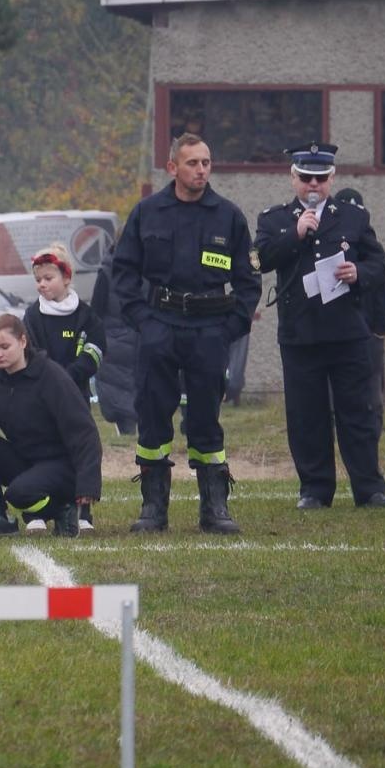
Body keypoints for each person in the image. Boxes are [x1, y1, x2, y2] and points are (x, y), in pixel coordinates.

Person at [109, 133, 259, 535]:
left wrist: (230, 328)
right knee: (153, 416)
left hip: (210, 329)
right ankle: (153, 508)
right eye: (192, 163)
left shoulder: (227, 216)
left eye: (206, 163)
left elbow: (248, 281)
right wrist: (142, 319)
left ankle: (215, 508)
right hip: (159, 326)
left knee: (206, 418)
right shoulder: (148, 213)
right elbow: (122, 273)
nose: (201, 170)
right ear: (173, 167)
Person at [253, 142, 385, 511]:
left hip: (347, 331)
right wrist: (295, 234)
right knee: (306, 416)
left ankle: (369, 488)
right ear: (293, 178)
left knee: (358, 413)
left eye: (320, 178)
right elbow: (262, 260)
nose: (312, 185)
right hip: (301, 333)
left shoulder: (353, 217)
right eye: (305, 178)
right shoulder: (274, 219)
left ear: (332, 178)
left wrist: (358, 272)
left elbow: (378, 265)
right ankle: (315, 489)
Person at [0, 313, 101, 538]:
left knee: (18, 494)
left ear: (23, 342)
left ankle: (64, 510)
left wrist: (88, 485)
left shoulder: (51, 377)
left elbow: (84, 433)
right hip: (27, 460)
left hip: (62, 466)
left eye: (4, 346)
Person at [22, 243, 105, 529]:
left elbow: (94, 351)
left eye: (48, 278)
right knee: (39, 451)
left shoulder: (86, 315)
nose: (42, 285)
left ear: (67, 278)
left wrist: (69, 377)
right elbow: (29, 353)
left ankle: (83, 513)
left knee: (80, 452)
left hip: (77, 397)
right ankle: (36, 513)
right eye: (38, 280)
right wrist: (52, 380)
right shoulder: (33, 316)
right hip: (40, 400)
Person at [333, 187, 385, 430]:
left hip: (368, 332)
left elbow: (383, 292)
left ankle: (372, 431)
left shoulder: (370, 247)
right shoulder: (329, 245)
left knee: (371, 392)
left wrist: (378, 330)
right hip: (336, 332)